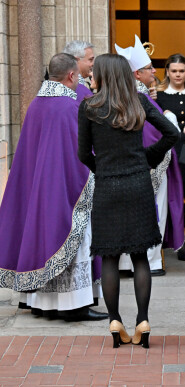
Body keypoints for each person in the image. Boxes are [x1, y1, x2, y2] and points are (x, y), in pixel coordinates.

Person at [77, 53, 178, 348]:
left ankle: (114, 320)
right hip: (137, 184)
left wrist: (103, 169)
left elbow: (83, 154)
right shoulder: (139, 102)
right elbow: (171, 134)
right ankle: (143, 320)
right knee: (139, 256)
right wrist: (148, 158)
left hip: (108, 186)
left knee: (108, 256)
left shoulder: (89, 107)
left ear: (104, 74)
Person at [0, 53, 107, 322]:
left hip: (39, 189)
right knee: (74, 236)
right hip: (62, 188)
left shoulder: (37, 104)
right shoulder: (69, 107)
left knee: (40, 238)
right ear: (72, 75)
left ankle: (39, 302)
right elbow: (79, 154)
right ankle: (74, 305)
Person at [115, 35, 185, 276]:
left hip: (125, 169)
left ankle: (126, 263)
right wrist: (171, 118)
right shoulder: (140, 97)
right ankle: (150, 262)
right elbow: (160, 133)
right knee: (152, 212)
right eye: (148, 68)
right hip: (149, 166)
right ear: (136, 74)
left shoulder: (123, 95)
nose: (154, 71)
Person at [155, 53, 185, 261]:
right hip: (171, 152)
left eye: (182, 71)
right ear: (167, 72)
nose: (178, 75)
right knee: (176, 197)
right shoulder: (159, 95)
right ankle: (179, 243)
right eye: (174, 71)